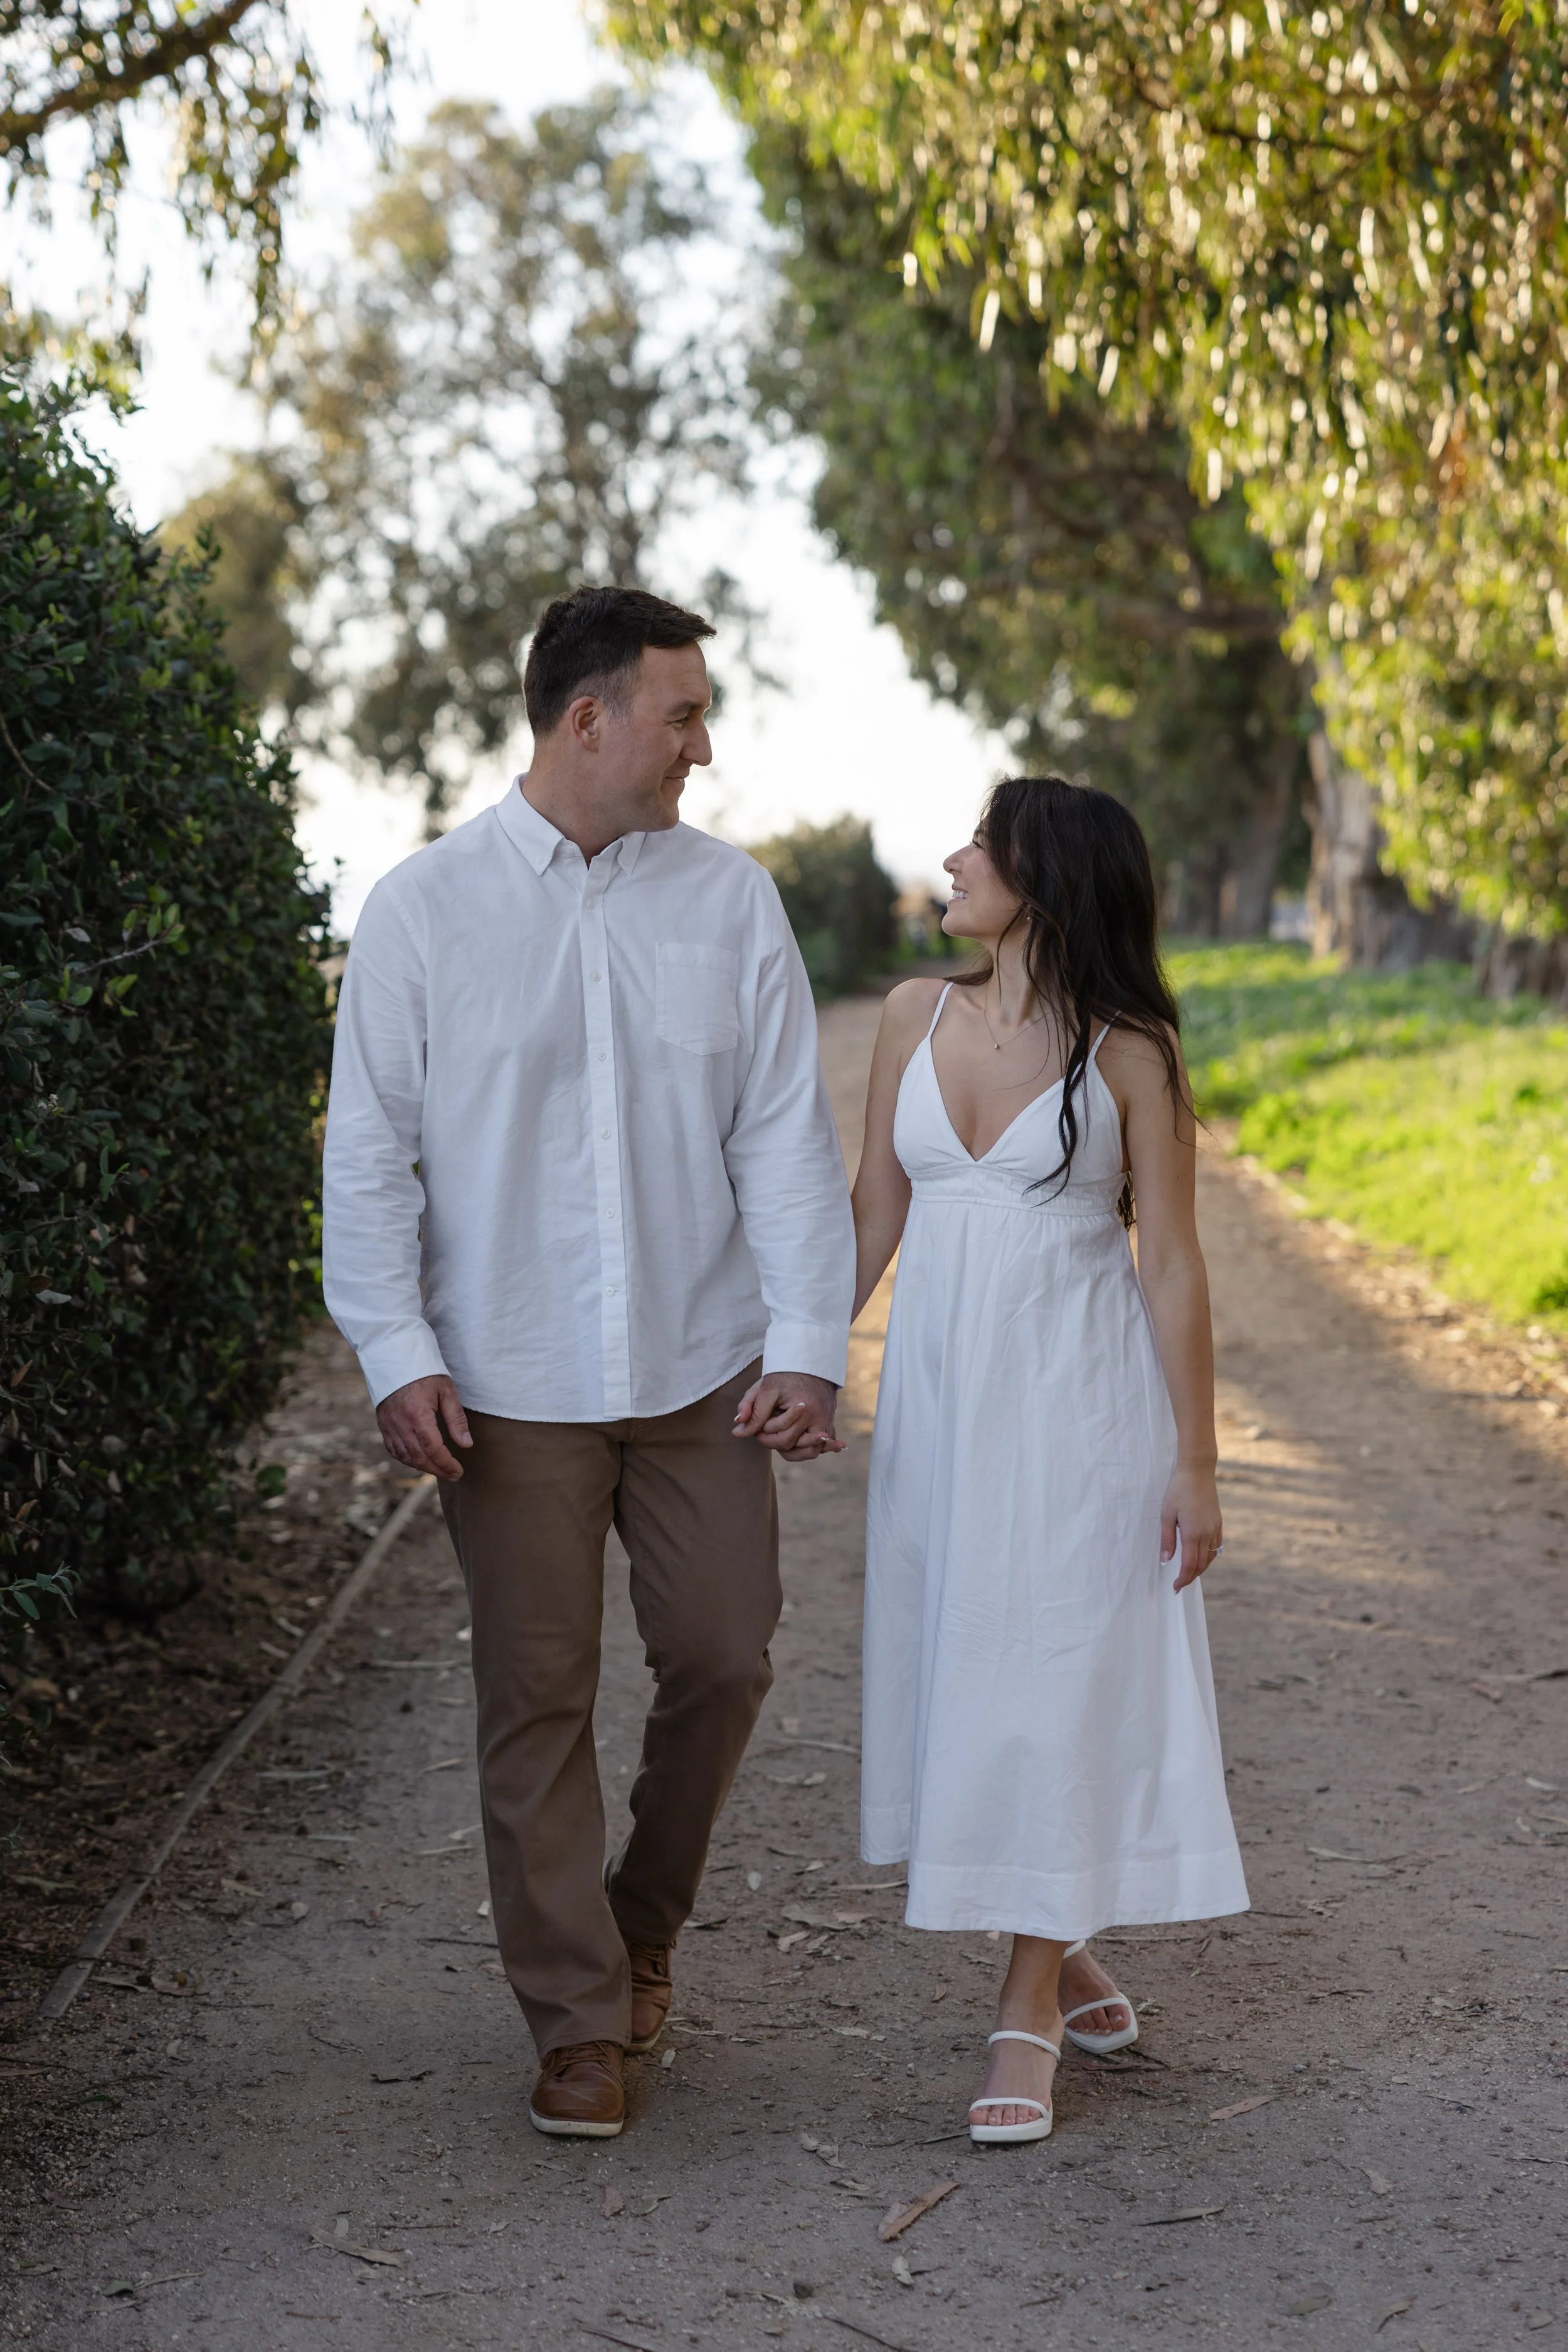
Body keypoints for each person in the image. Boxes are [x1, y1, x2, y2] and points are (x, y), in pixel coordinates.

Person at [322, 585, 854, 2140]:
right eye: (682, 712)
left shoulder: (729, 903)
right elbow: (371, 1159)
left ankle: (638, 1926)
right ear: (588, 719)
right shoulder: (423, 911)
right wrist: (394, 1348)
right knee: (536, 1695)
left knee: (724, 1653)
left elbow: (782, 1141)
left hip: (702, 1369)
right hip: (505, 1381)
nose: (703, 743)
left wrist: (809, 1346)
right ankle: (575, 2019)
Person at [851, 775, 1248, 2146]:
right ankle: (1058, 1927)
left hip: (1081, 1405)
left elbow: (1174, 1263)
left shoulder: (1126, 1047)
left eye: (983, 843)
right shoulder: (913, 1015)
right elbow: (871, 1218)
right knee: (965, 1670)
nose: (951, 859)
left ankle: (1023, 2006)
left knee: (1053, 1674)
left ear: (1050, 876)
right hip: (942, 1408)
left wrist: (1194, 1464)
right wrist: (787, 1365)